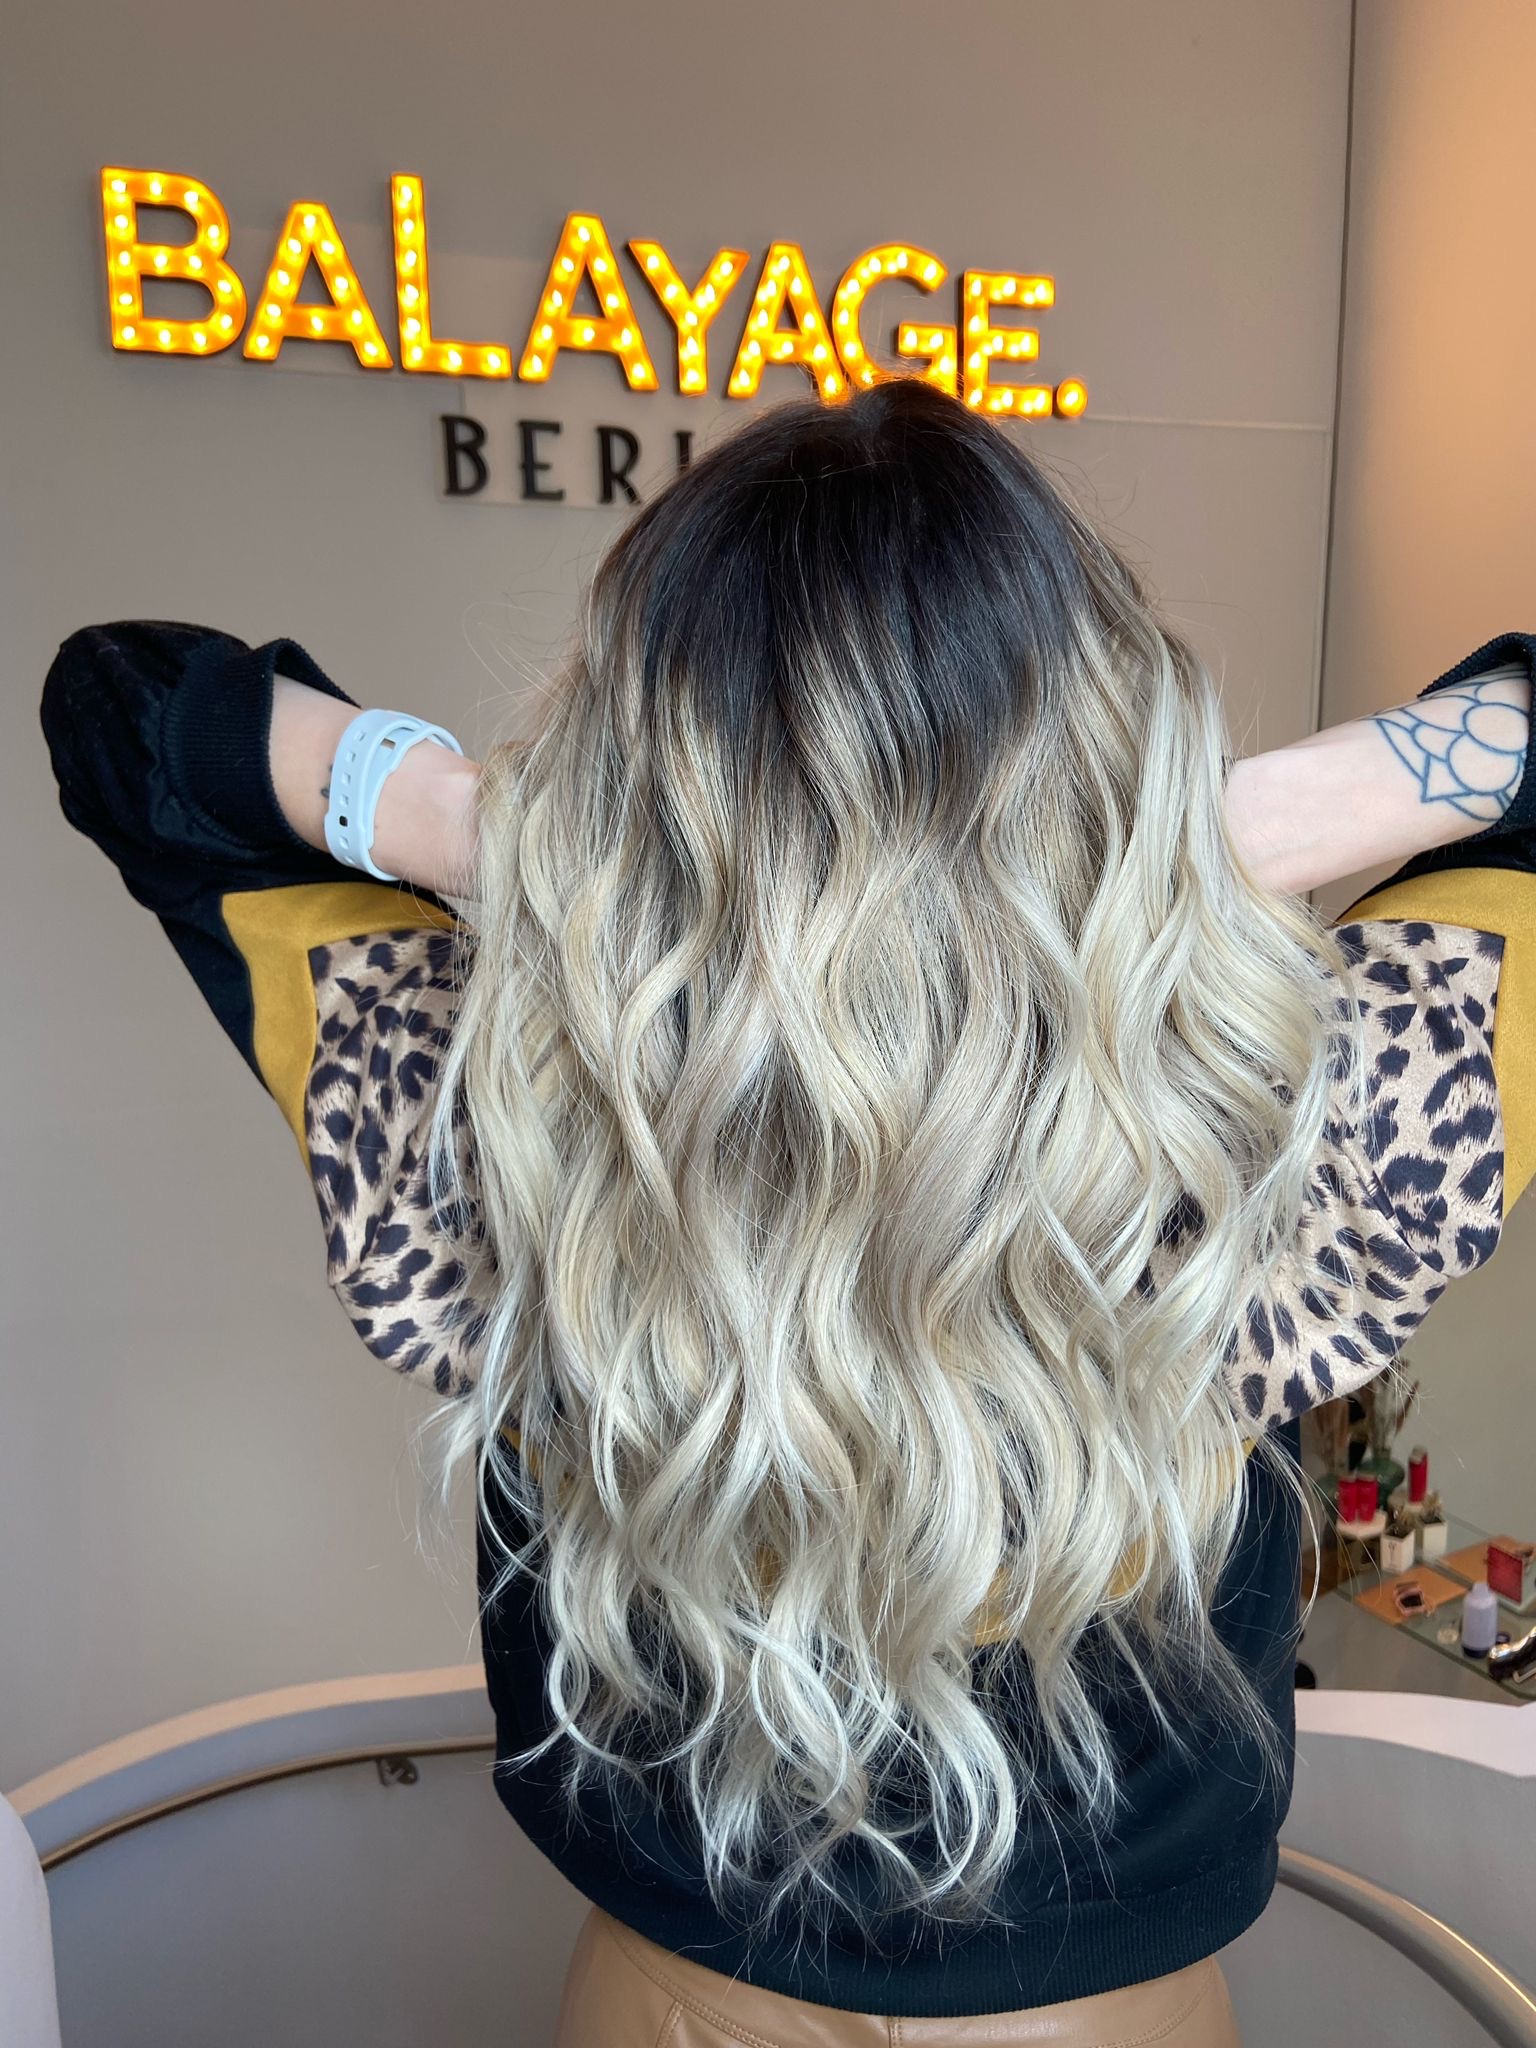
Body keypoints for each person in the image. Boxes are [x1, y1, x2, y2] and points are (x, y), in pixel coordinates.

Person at [38, 376, 1534, 2047]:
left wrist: (502, 829)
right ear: (1111, 736)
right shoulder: (1313, 1101)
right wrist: (1209, 827)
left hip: (676, 1996)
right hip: (1102, 2015)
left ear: (633, 749)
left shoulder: (482, 1083)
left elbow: (130, 710)